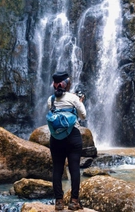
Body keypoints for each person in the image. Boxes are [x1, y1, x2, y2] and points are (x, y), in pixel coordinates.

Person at [47, 71, 86, 211]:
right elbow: (83, 116)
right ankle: (74, 201)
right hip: (73, 137)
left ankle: (58, 202)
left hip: (56, 138)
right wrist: (79, 102)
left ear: (55, 85)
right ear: (66, 84)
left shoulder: (50, 100)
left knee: (57, 168)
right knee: (74, 167)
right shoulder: (73, 98)